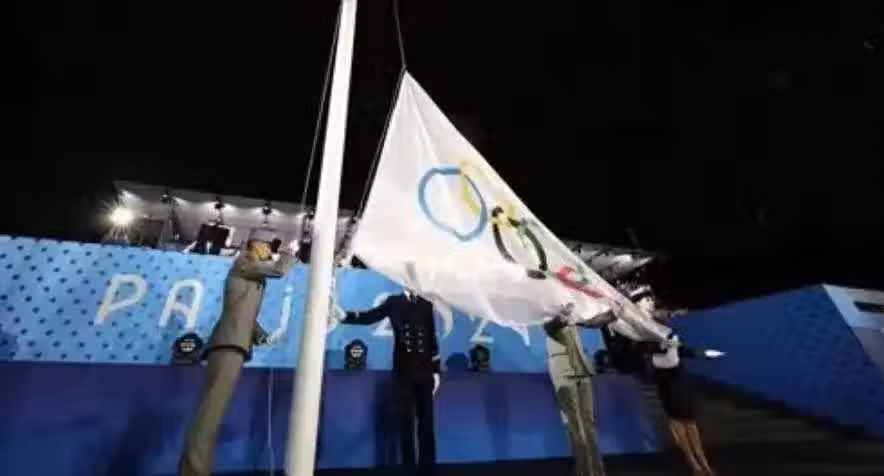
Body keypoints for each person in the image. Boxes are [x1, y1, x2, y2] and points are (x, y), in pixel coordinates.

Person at [178, 228, 298, 476]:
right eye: (268, 246)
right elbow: (280, 270)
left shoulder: (252, 273)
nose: (270, 251)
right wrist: (290, 252)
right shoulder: (244, 261)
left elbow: (243, 312)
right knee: (210, 413)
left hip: (235, 344)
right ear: (255, 244)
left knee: (214, 413)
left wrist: (262, 336)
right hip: (228, 344)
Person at [335, 288, 441, 476]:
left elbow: (431, 339)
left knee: (427, 423)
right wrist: (345, 316)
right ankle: (409, 468)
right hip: (403, 372)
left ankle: (428, 469)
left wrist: (436, 371)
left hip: (425, 372)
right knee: (406, 423)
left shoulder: (426, 304)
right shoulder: (394, 302)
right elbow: (371, 316)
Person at [634, 292, 722, 476]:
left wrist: (701, 354)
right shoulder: (646, 336)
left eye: (659, 308)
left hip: (679, 380)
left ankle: (704, 464)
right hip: (665, 383)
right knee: (678, 423)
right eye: (655, 308)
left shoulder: (669, 332)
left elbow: (682, 350)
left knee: (690, 422)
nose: (660, 312)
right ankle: (694, 465)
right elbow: (646, 357)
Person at [544, 301, 620, 476]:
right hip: (564, 374)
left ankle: (597, 471)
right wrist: (562, 317)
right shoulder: (547, 317)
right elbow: (551, 327)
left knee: (588, 424)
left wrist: (612, 314)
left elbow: (592, 322)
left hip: (582, 370)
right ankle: (585, 471)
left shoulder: (574, 316)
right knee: (575, 426)